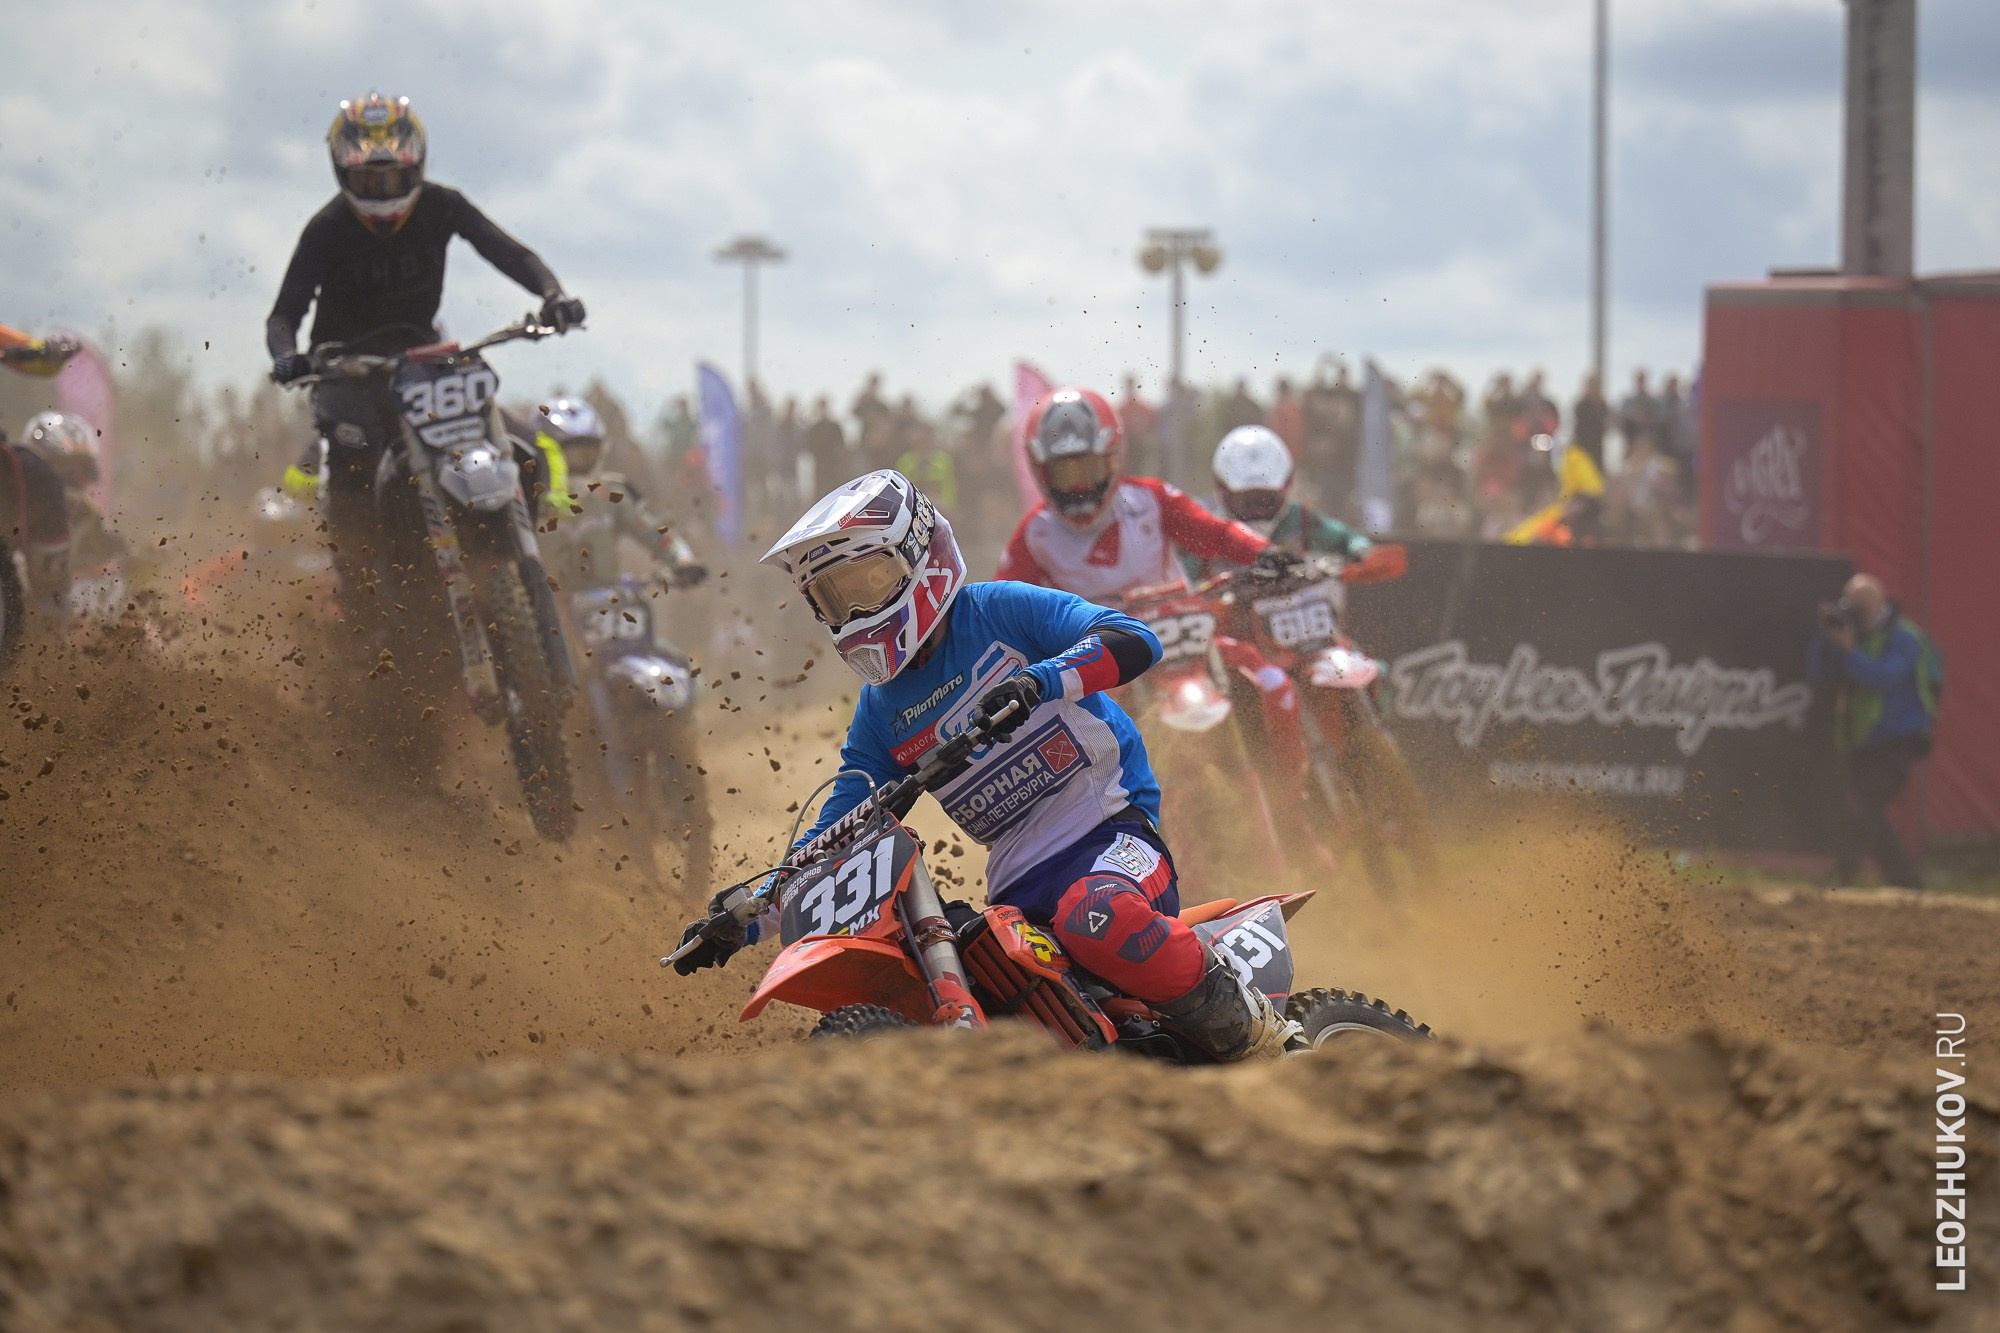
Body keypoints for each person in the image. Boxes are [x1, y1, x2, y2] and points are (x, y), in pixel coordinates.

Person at [673, 470, 1300, 1062]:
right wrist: (748, 915)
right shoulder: (879, 711)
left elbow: (1134, 639)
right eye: (835, 599)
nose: (855, 613)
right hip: (1017, 881)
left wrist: (1041, 682)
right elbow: (839, 829)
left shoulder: (998, 611)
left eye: (864, 584)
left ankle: (1262, 1034)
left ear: (919, 555)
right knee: (963, 968)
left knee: (1094, 917)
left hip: (1110, 831)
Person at [263, 92, 586, 592]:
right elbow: (284, 315)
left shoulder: (442, 205)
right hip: (347, 369)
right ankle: (364, 588)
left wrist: (553, 296)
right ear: (342, 173)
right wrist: (288, 359)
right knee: (356, 466)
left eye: (392, 176)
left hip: (424, 358)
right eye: (369, 179)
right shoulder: (326, 229)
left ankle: (498, 548)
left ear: (417, 166)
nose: (382, 190)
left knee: (521, 444)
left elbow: (511, 253)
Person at [996, 387, 1284, 603]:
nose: (1079, 488)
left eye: (1090, 469)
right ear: (1040, 472)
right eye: (1064, 474)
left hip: (1189, 639)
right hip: (1100, 669)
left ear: (1114, 458)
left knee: (1265, 674)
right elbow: (1001, 603)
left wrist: (1265, 553)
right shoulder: (1035, 535)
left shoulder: (1153, 499)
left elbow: (1215, 533)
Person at [1807, 574, 1941, 890]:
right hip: (1861, 739)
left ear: (1879, 603)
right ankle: (1908, 884)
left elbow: (1884, 679)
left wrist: (1850, 651)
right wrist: (1828, 638)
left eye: (1862, 606)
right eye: (1851, 604)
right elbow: (1818, 673)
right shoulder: (1848, 634)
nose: (1855, 612)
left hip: (1898, 740)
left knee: (1867, 803)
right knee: (1873, 813)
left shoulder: (1904, 637)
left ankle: (1843, 872)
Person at [533, 397, 705, 594]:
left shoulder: (610, 495)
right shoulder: (529, 499)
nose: (581, 464)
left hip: (605, 608)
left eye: (589, 453)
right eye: (571, 455)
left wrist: (682, 559)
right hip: (543, 609)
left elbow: (655, 533)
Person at [1204, 425, 1370, 569]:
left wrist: (1360, 552)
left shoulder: (1301, 520)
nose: (1257, 512)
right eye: (1246, 502)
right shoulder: (1208, 529)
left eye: (1267, 500)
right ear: (1223, 492)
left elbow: (1348, 539)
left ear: (1285, 487)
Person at [0, 325, 80, 377]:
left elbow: (23, 355)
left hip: (23, 349)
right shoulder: (55, 369)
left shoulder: (53, 367)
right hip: (25, 349)